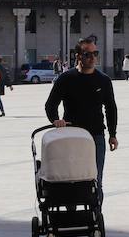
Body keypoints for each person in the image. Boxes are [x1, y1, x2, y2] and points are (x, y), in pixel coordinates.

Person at [44, 37, 119, 193]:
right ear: (78, 56)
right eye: (87, 54)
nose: (92, 58)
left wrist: (112, 134)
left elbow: (111, 108)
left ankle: (96, 214)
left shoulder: (103, 80)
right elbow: (50, 104)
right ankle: (71, 213)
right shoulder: (65, 79)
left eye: (95, 53)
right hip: (71, 135)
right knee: (71, 178)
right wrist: (56, 120)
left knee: (96, 179)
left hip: (96, 135)